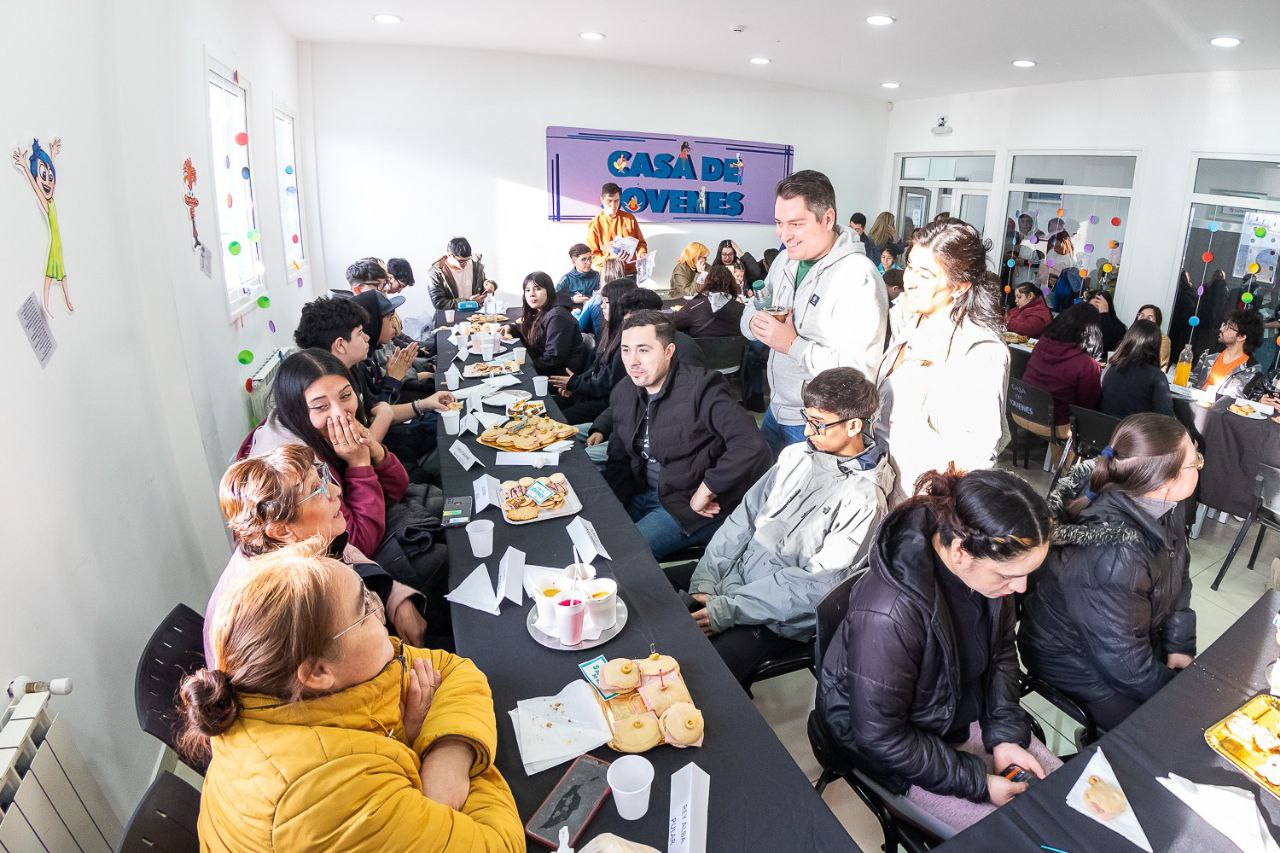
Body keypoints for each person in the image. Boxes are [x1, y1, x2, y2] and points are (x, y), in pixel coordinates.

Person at [181, 541, 523, 852]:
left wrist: (448, 752)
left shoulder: (300, 687)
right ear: (317, 672)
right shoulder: (322, 797)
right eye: (364, 611)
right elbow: (498, 843)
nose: (380, 615)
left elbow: (450, 669)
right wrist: (422, 752)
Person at [817, 468, 1061, 835]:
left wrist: (1006, 735)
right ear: (960, 550)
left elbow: (1002, 655)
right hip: (899, 750)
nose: (1021, 587)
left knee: (1066, 800)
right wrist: (977, 781)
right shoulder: (890, 613)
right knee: (1016, 838)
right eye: (1008, 575)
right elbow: (880, 736)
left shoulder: (991, 579)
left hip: (959, 714)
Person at [668, 368, 892, 683]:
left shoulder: (864, 498)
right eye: (807, 418)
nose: (806, 432)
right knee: (651, 595)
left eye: (818, 424)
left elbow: (816, 585)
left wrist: (728, 608)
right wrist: (708, 580)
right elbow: (743, 520)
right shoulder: (795, 457)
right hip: (732, 579)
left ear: (854, 425)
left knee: (693, 676)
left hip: (776, 617)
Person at [1019, 413, 1199, 730]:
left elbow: (1178, 574)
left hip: (1121, 639)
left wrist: (1179, 645)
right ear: (1163, 482)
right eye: (1193, 460)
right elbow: (1123, 664)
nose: (1199, 462)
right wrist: (1178, 695)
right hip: (1073, 659)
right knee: (1166, 731)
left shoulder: (1161, 500)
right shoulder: (1114, 555)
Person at [206, 445, 434, 665]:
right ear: (282, 529)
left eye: (323, 478)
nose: (335, 491)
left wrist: (396, 598)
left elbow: (347, 552)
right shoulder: (281, 607)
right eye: (316, 490)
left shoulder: (292, 542)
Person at [741, 170, 888, 457]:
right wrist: (762, 325)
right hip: (776, 410)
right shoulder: (785, 260)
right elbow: (749, 315)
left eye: (796, 224)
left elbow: (858, 374)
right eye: (779, 223)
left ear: (828, 219)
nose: (785, 235)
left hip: (820, 426)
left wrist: (791, 345)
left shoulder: (858, 276)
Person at [605, 310, 771, 559]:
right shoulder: (625, 391)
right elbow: (618, 457)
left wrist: (705, 491)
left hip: (685, 504)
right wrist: (610, 507)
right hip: (641, 492)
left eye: (644, 350)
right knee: (596, 537)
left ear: (669, 351)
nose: (632, 361)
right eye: (626, 350)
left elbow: (751, 444)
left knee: (622, 556)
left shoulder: (701, 389)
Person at [875, 219, 1008, 505]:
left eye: (925, 274)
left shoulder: (978, 349)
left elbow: (974, 457)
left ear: (959, 286)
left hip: (921, 503)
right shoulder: (909, 318)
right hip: (880, 485)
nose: (909, 280)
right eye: (909, 266)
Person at [249, 350, 409, 556]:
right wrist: (359, 464)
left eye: (346, 395)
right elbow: (356, 545)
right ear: (298, 411)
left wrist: (376, 451)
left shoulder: (324, 429)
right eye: (321, 406)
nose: (340, 413)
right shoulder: (296, 468)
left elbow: (398, 487)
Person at [292, 296, 454, 448]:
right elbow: (363, 447)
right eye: (360, 333)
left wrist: (424, 404)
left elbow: (377, 410)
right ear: (340, 345)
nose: (367, 338)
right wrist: (388, 403)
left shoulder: (354, 369)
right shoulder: (328, 391)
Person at [548, 277, 638, 425]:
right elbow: (594, 368)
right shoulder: (609, 330)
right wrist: (575, 385)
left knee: (556, 422)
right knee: (546, 408)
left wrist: (575, 384)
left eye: (606, 302)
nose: (602, 306)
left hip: (607, 404)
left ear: (621, 304)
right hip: (591, 392)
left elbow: (607, 384)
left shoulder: (627, 341)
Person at [1018, 303, 1103, 455]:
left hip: (1020, 411)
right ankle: (1067, 475)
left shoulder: (1042, 343)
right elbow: (1086, 408)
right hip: (1055, 426)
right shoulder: (1087, 364)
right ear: (1094, 332)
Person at [504, 272, 588, 375]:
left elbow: (553, 359)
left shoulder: (557, 316)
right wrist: (511, 328)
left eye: (537, 289)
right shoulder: (543, 310)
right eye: (527, 290)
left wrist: (526, 367)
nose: (531, 294)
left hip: (558, 377)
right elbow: (532, 330)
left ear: (549, 291)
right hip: (547, 368)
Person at [1101, 320, 1175, 419]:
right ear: (1156, 346)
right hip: (1135, 432)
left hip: (1105, 430)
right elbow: (1165, 417)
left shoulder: (1110, 368)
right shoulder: (1157, 377)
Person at [1189, 308, 1264, 397]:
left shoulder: (1251, 371)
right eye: (1224, 324)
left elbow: (1240, 403)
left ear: (1241, 337)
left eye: (1228, 327)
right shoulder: (1209, 355)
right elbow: (1190, 382)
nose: (1221, 328)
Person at [587, 182, 647, 274]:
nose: (613, 205)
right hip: (607, 273)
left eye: (616, 201)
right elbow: (593, 257)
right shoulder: (595, 224)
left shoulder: (629, 218)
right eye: (609, 201)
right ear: (602, 200)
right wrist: (610, 257)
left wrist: (642, 254)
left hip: (630, 272)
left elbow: (641, 243)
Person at [672, 264, 744, 338]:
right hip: (734, 349)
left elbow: (672, 326)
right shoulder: (742, 310)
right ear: (732, 283)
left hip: (698, 348)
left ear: (707, 282)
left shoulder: (693, 307)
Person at [427, 237, 495, 309]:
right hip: (451, 317)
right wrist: (468, 303)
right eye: (461, 261)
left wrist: (488, 285)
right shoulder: (436, 273)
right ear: (449, 255)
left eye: (467, 259)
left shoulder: (475, 265)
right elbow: (439, 303)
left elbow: (482, 284)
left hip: (475, 315)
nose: (465, 263)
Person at [555, 243, 600, 308]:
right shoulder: (566, 279)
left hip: (595, 312)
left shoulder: (597, 276)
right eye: (584, 259)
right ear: (574, 262)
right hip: (574, 315)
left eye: (590, 258)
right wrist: (572, 300)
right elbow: (554, 299)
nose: (589, 262)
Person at [1134, 304, 1172, 370]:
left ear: (1157, 322)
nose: (1144, 319)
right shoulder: (1132, 334)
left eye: (1149, 318)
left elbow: (1162, 367)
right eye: (1141, 315)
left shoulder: (1162, 340)